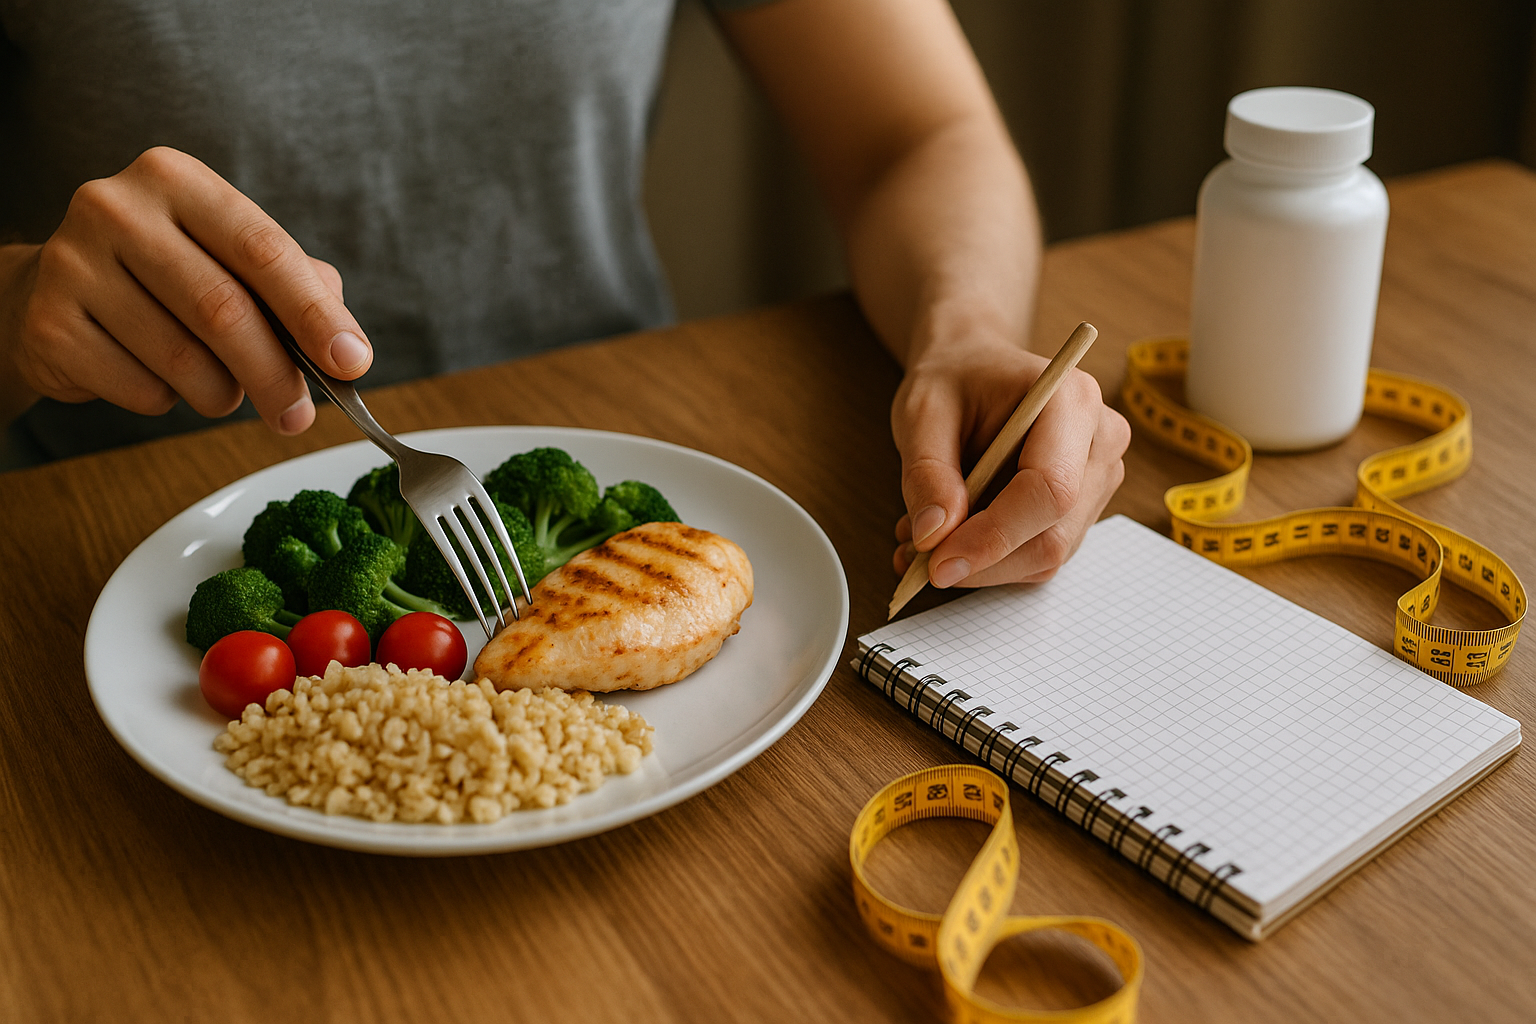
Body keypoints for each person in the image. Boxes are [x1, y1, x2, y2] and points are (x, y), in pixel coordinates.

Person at [0, 0, 1128, 591]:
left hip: (620, 464)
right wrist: (14, 310)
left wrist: (964, 334)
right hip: (90, 534)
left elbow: (915, 135)